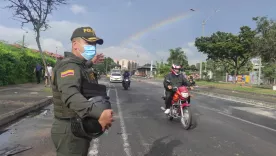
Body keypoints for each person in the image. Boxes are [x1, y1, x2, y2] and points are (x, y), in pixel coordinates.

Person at [51, 26, 114, 156]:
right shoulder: (69, 66)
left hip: (76, 126)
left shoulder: (77, 64)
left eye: (94, 44)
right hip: (69, 129)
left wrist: (91, 62)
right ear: (75, 44)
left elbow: (79, 70)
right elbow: (70, 95)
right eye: (89, 43)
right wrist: (99, 114)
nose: (93, 47)